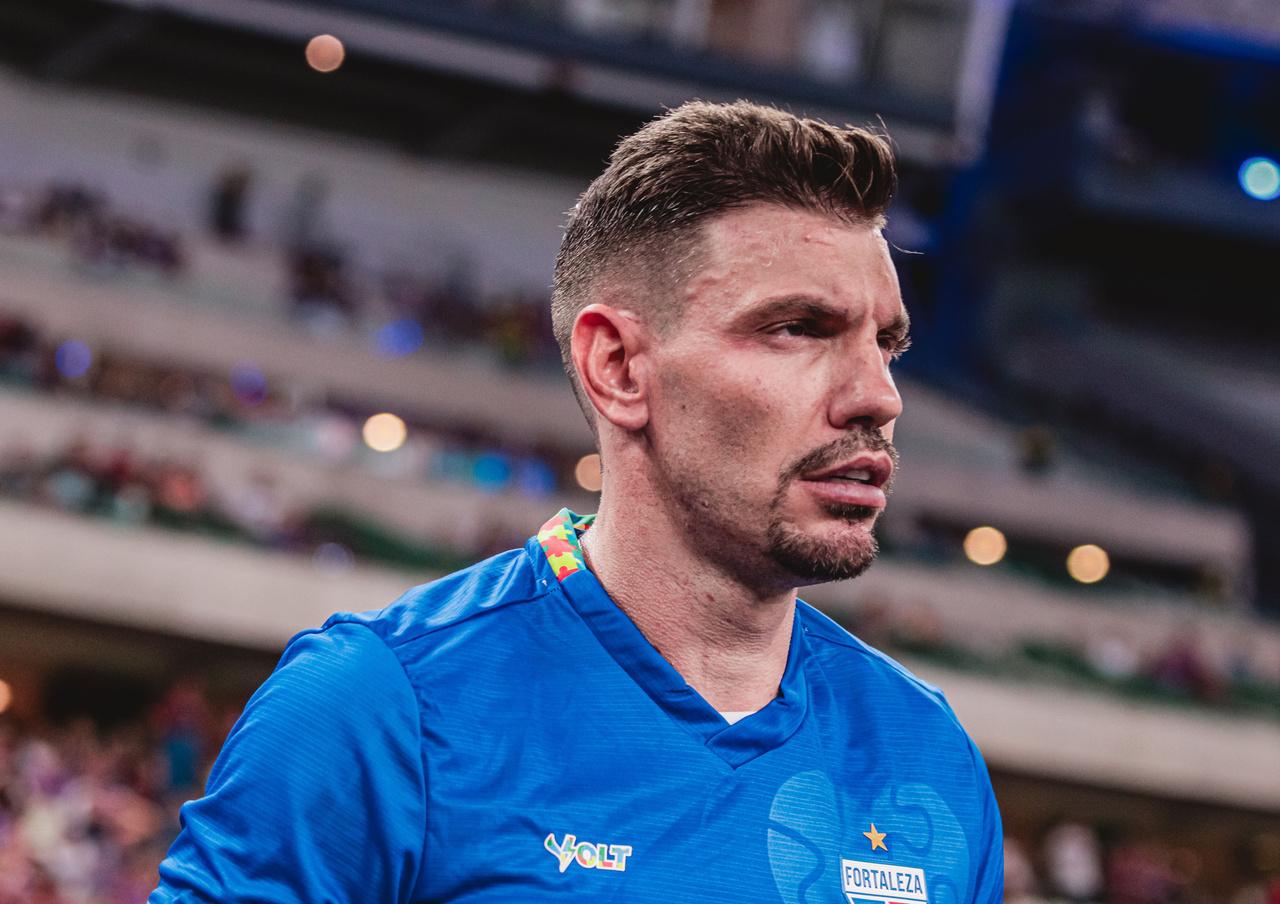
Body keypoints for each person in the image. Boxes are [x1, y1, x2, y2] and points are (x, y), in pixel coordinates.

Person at [150, 100, 1003, 903]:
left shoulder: (930, 756)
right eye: (798, 329)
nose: (878, 395)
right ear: (619, 368)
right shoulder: (375, 710)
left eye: (887, 344)